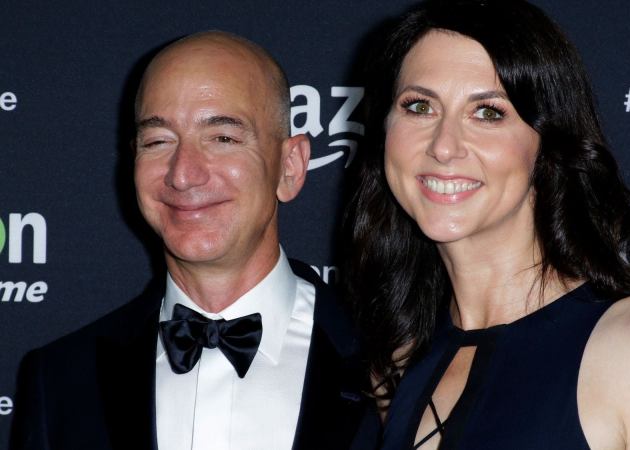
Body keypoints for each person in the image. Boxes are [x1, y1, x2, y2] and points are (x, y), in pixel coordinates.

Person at [345, 1, 630, 448]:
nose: (444, 146)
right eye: (419, 106)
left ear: (548, 143)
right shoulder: (399, 358)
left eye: (488, 113)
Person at [10, 31, 372, 450]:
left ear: (290, 167)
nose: (183, 174)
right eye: (157, 141)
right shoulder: (60, 380)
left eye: (223, 138)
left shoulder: (391, 362)